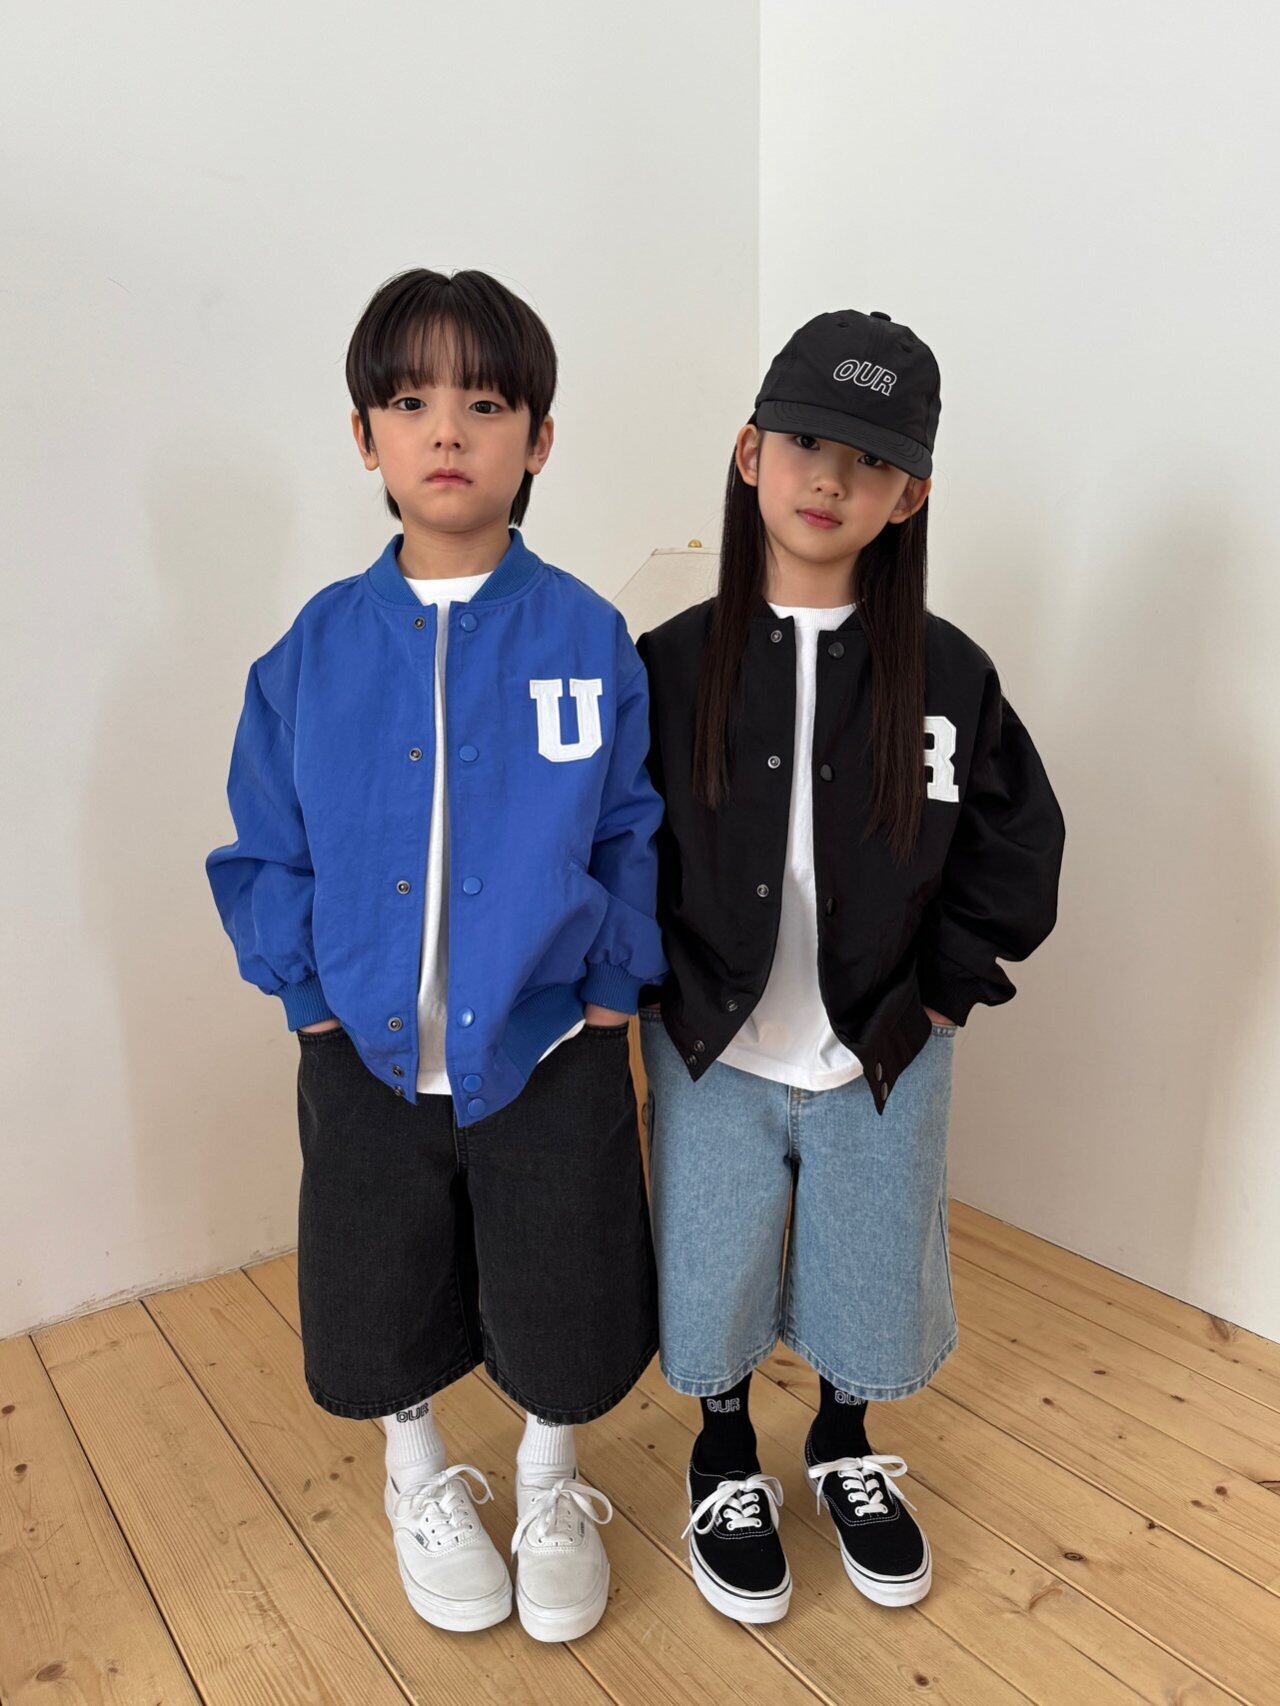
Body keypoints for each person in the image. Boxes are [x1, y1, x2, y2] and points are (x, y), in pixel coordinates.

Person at [206, 268, 667, 1642]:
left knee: (563, 1265)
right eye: (410, 402)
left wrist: (608, 994)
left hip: (548, 1039)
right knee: (378, 1271)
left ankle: (550, 1477)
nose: (448, 430)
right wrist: (306, 997)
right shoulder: (312, 650)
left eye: (485, 402)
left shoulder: (585, 633)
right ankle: (414, 1472)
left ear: (540, 437)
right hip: (363, 1043)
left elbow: (630, 824)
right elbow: (266, 838)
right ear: (365, 438)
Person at [634, 307, 1065, 1622]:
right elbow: (615, 839)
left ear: (909, 496)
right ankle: (723, 1452)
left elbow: (1016, 842)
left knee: (870, 1257)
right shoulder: (672, 662)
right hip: (712, 1038)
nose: (831, 479)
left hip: (885, 1036)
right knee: (710, 1252)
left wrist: (943, 990)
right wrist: (642, 978)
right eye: (808, 444)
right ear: (751, 452)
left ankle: (842, 1440)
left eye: (871, 461)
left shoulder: (949, 673)